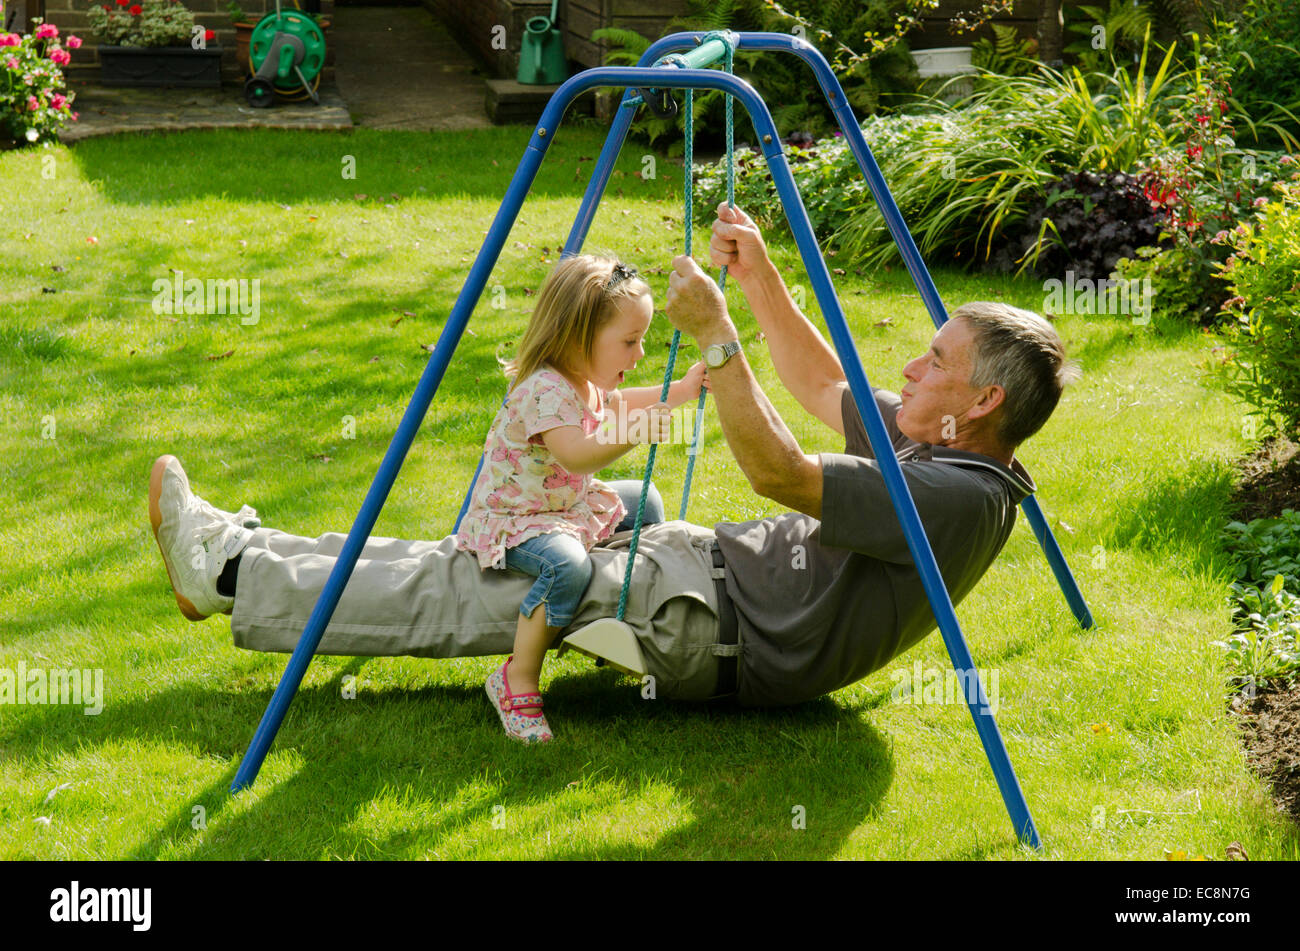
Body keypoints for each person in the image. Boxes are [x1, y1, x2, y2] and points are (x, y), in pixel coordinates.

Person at [148, 202, 1081, 712]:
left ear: (985, 400)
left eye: (938, 360)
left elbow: (781, 472)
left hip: (707, 628)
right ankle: (247, 551)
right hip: (703, 578)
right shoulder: (945, 443)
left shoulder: (956, 497)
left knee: (472, 590)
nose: (912, 363)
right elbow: (826, 385)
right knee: (462, 559)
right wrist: (757, 279)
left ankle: (229, 574)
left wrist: (717, 346)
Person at [453, 254, 707, 743]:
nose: (637, 356)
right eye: (629, 342)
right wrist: (640, 429)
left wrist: (679, 390)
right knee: (567, 567)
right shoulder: (544, 389)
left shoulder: (582, 379)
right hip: (519, 519)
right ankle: (517, 679)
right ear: (577, 335)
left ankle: (621, 619)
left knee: (646, 502)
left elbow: (618, 402)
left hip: (563, 508)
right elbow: (577, 457)